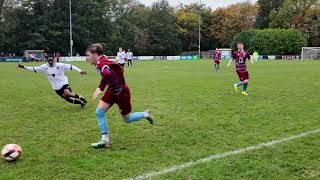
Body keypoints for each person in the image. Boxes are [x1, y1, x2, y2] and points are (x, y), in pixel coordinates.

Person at [85, 43, 154, 148]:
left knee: (127, 119)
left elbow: (107, 73)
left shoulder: (101, 63)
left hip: (122, 92)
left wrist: (100, 88)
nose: (87, 58)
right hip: (112, 91)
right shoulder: (102, 60)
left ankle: (146, 114)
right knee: (99, 112)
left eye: (88, 55)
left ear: (95, 54)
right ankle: (105, 140)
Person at [18, 57, 88, 107]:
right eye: (49, 61)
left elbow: (71, 66)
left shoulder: (60, 65)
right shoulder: (44, 67)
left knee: (67, 93)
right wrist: (24, 67)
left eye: (52, 60)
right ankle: (81, 102)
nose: (50, 62)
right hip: (55, 86)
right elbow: (34, 69)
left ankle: (81, 97)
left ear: (54, 60)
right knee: (66, 98)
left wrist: (80, 71)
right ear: (47, 61)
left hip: (63, 82)